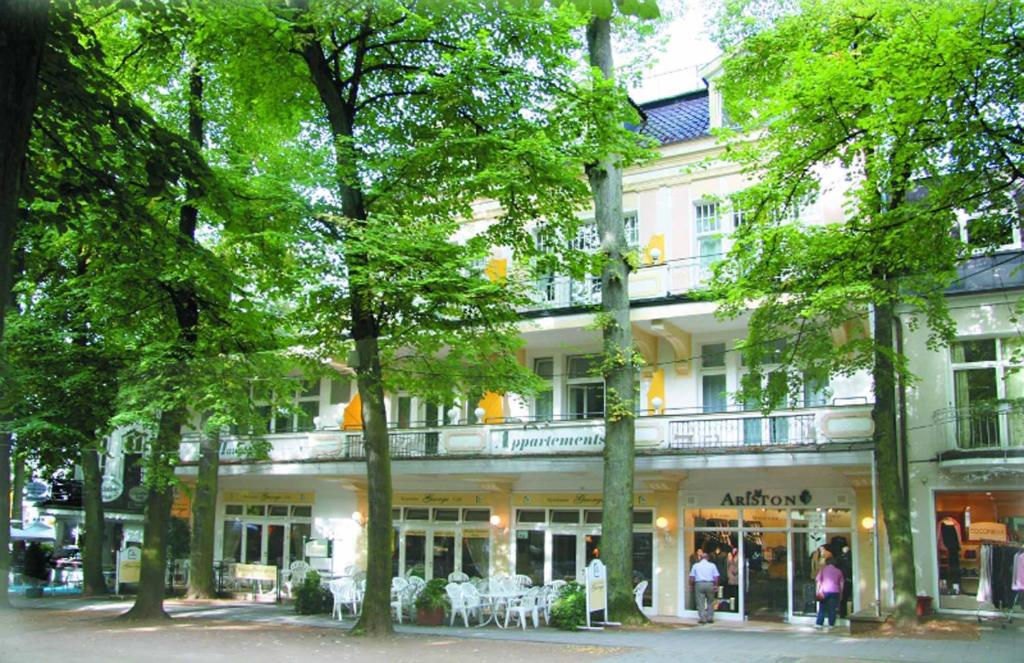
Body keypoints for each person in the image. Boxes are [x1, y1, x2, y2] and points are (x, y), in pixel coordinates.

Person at [689, 551, 720, 624]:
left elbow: (692, 577)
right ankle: (710, 618)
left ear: (700, 558)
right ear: (708, 558)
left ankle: (702, 618)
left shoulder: (696, 565)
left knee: (700, 602)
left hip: (699, 584)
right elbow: (716, 577)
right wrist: (716, 585)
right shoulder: (712, 565)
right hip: (710, 584)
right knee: (710, 601)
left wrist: (690, 585)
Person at [815, 557, 845, 629]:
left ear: (826, 562)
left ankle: (819, 623)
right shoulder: (839, 571)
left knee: (822, 608)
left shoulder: (822, 570)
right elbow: (841, 584)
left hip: (824, 591)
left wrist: (817, 591)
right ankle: (831, 624)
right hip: (835, 591)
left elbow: (818, 581)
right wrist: (841, 593)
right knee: (832, 608)